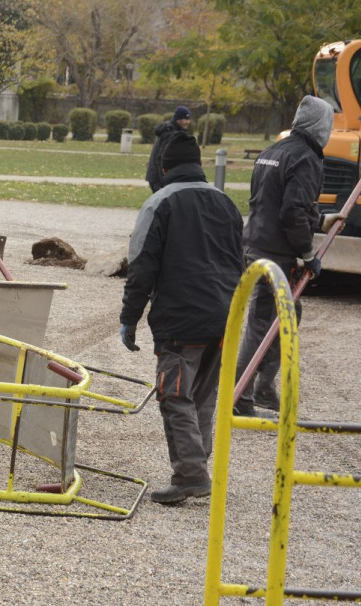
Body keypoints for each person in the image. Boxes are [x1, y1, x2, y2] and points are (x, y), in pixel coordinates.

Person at [120, 132, 244, 504]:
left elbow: (142, 267)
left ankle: (191, 473)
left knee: (173, 394)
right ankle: (196, 467)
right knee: (202, 395)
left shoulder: (159, 203)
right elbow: (240, 258)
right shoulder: (227, 203)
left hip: (180, 319)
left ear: (164, 167)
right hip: (224, 316)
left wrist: (130, 317)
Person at [234, 95, 332, 416]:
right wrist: (307, 253)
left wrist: (320, 220)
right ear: (320, 126)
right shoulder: (306, 158)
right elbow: (292, 212)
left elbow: (273, 201)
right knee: (264, 321)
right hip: (276, 254)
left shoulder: (272, 152)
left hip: (255, 243)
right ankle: (241, 393)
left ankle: (262, 387)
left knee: (290, 314)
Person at [145, 106, 192, 193]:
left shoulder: (171, 130)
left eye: (188, 119)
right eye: (185, 119)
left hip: (159, 177)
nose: (187, 122)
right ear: (178, 119)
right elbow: (162, 158)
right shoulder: (170, 134)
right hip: (160, 178)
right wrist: (164, 180)